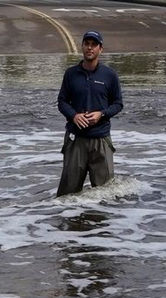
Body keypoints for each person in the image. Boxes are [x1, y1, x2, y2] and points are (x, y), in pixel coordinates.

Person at [55, 30, 124, 197]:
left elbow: (118, 104)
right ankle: (72, 222)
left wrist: (101, 114)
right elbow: (62, 102)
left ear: (101, 49)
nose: (90, 48)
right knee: (67, 196)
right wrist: (74, 115)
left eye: (94, 45)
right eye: (87, 44)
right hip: (75, 140)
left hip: (100, 140)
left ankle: (100, 223)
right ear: (82, 47)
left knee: (106, 194)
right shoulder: (71, 74)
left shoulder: (110, 75)